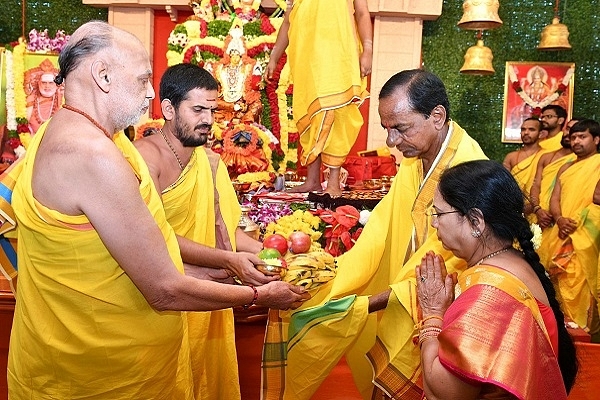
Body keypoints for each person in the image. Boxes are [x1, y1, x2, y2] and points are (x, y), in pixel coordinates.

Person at [7, 21, 309, 399]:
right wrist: (259, 297)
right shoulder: (92, 154)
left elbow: (122, 257)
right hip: (103, 377)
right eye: (142, 79)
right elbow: (164, 290)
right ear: (102, 75)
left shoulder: (74, 132)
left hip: (87, 358)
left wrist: (222, 268)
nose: (151, 92)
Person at [261, 69, 488, 399]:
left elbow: (451, 263)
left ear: (437, 116)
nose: (391, 142)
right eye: (387, 129)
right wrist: (335, 275)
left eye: (401, 128)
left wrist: (368, 303)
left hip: (436, 310)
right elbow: (383, 225)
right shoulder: (417, 158)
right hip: (404, 294)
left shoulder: (468, 170)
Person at [134, 63, 275, 400]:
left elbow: (227, 232)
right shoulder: (144, 159)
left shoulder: (208, 161)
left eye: (212, 110)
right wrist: (230, 260)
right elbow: (154, 236)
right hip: (159, 298)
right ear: (168, 109)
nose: (209, 120)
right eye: (198, 109)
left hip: (206, 297)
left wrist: (269, 253)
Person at [415, 159, 577, 399]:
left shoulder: (487, 295)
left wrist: (432, 314)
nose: (434, 222)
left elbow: (445, 393)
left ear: (475, 222)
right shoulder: (512, 261)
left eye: (439, 213)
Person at [265, 0, 373, 197]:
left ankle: (333, 183)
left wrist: (368, 49)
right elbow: (289, 20)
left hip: (336, 55)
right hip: (305, 60)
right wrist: (274, 56)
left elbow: (362, 12)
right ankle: (312, 180)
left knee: (335, 111)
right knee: (309, 113)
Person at [538, 119, 600, 331]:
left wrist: (578, 222)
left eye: (582, 137)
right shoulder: (565, 167)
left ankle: (583, 333)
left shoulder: (598, 163)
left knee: (582, 283)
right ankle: (562, 332)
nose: (576, 141)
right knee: (559, 284)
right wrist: (560, 219)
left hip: (586, 237)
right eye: (574, 137)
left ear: (596, 139)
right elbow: (555, 198)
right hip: (560, 232)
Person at [530, 117, 581, 229]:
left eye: (574, 131)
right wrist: (538, 210)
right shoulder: (546, 158)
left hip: (564, 219)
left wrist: (557, 216)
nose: (568, 133)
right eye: (567, 128)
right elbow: (536, 186)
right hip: (539, 216)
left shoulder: (581, 163)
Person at [503, 117, 545, 213]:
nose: (526, 132)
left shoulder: (547, 156)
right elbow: (504, 184)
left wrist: (535, 205)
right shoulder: (511, 157)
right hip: (516, 207)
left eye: (531, 129)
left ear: (541, 134)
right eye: (523, 129)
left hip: (540, 208)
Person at [25, 60, 64, 134]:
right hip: (31, 139)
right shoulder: (31, 98)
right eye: (44, 83)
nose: (47, 86)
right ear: (39, 84)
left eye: (51, 83)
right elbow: (23, 123)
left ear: (56, 85)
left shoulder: (61, 99)